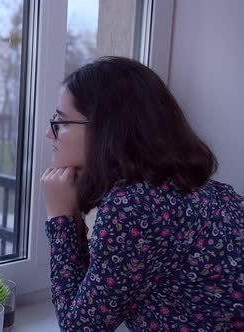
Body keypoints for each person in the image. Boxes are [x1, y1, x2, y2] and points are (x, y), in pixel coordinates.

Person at [41, 56, 243, 331]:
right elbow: (101, 290)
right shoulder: (176, 186)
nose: (48, 134)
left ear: (106, 129)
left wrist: (60, 217)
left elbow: (79, 328)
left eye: (61, 122)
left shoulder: (134, 206)